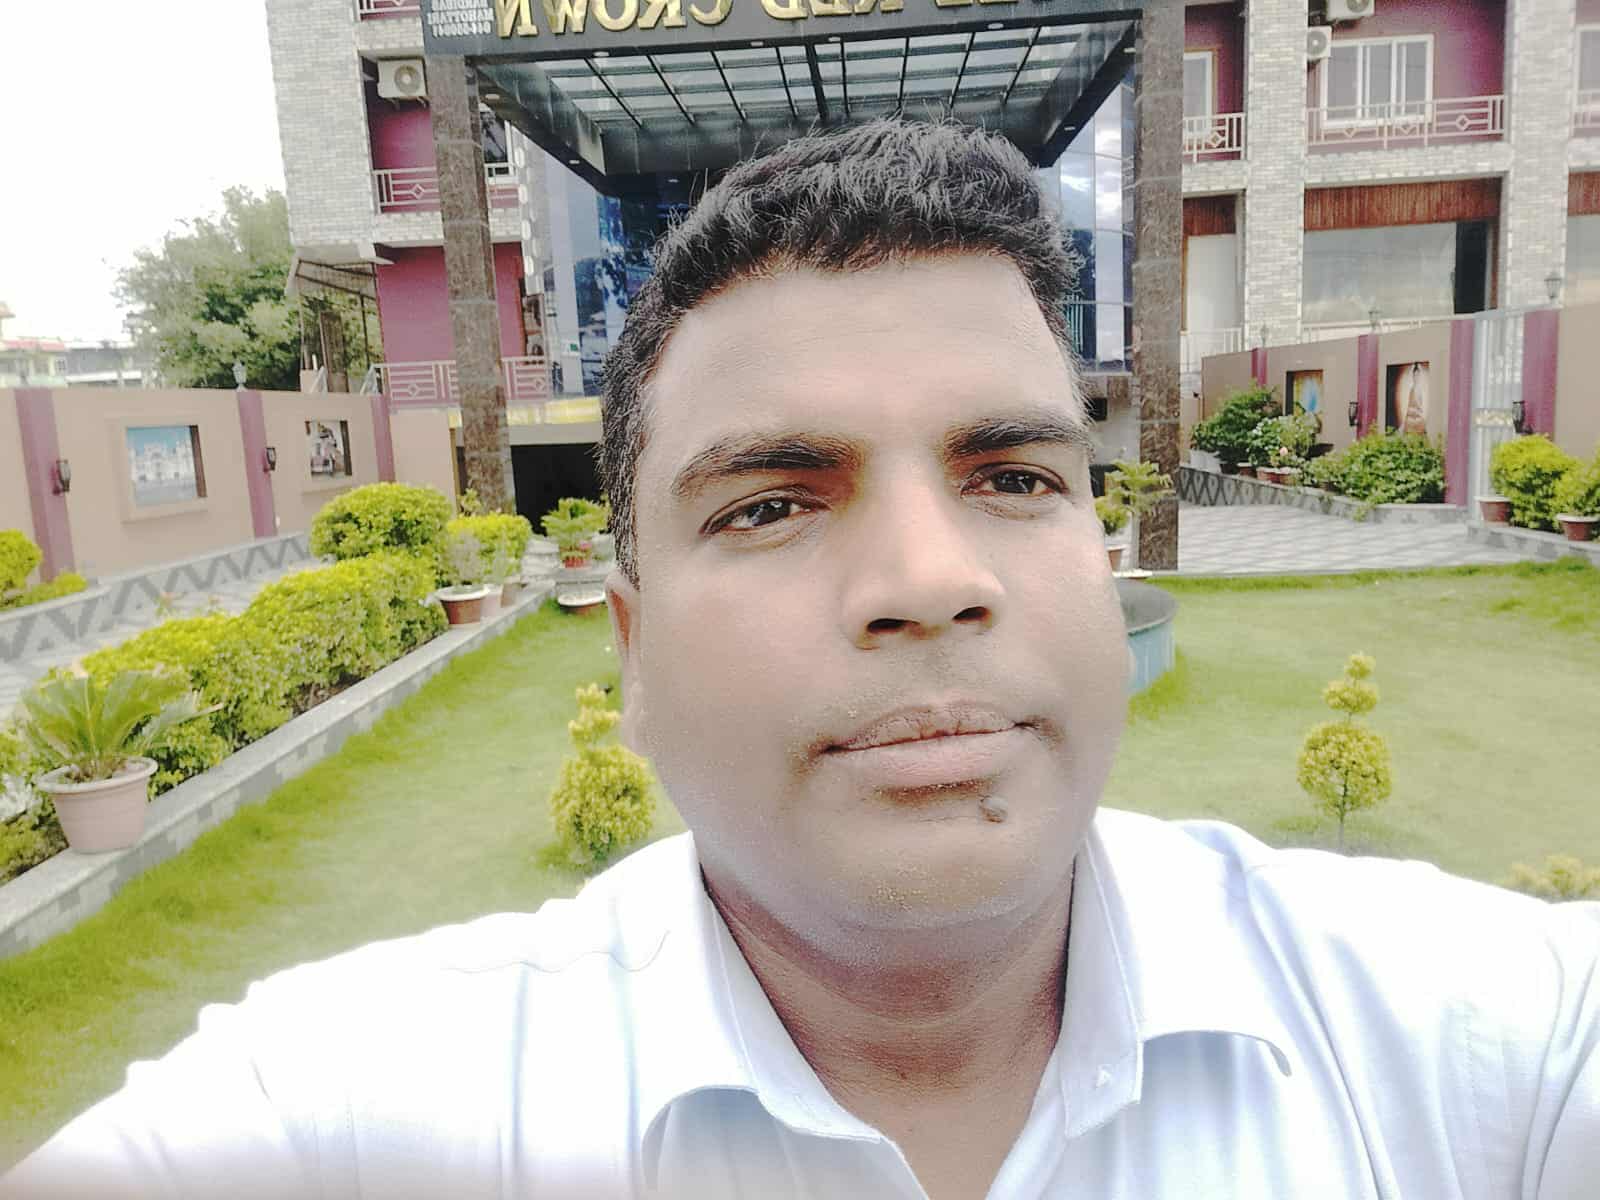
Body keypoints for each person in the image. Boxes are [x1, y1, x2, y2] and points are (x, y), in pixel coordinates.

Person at [4, 119, 1596, 1200]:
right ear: (630, 655)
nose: (929, 580)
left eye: (1013, 476)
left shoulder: (1468, 1037)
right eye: (769, 503)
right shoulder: (355, 1106)